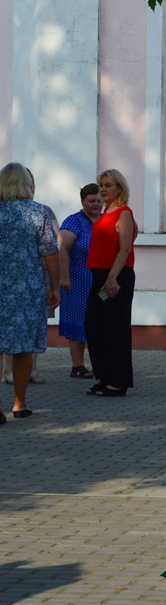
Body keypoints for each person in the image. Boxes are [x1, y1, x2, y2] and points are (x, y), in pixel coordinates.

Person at [0, 162, 60, 423]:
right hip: (27, 288)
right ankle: (19, 404)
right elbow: (49, 251)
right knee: (23, 347)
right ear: (26, 184)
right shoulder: (39, 212)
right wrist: (55, 286)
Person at [84, 169, 137, 398]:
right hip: (99, 277)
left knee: (116, 328)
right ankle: (102, 376)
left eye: (107, 185)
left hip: (116, 277)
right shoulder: (106, 212)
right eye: (101, 185)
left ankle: (118, 381)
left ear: (119, 188)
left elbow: (125, 248)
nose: (103, 189)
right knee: (94, 325)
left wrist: (113, 277)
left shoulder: (123, 213)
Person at [59, 183, 103, 379]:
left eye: (99, 200)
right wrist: (65, 277)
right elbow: (61, 249)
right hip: (77, 281)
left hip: (100, 281)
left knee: (98, 322)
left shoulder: (105, 219)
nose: (96, 204)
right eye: (91, 201)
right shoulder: (74, 221)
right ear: (82, 201)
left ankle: (100, 364)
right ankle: (77, 365)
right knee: (78, 321)